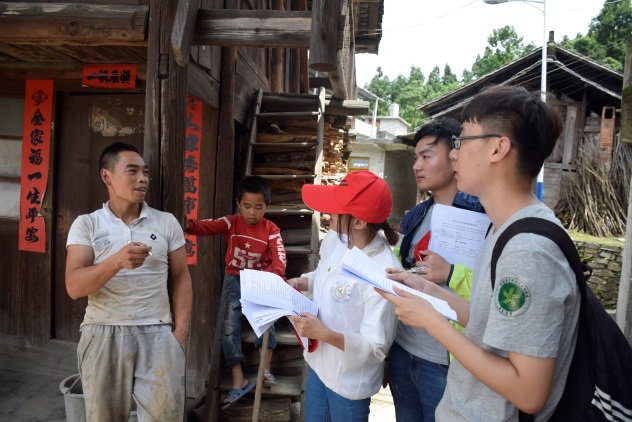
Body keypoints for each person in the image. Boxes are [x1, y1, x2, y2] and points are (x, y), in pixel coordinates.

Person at [379, 85, 580, 421]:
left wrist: (433, 323)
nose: (454, 155)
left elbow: (529, 393)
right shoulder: (504, 228)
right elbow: (491, 325)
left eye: (462, 140)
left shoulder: (529, 251)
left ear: (498, 148)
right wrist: (429, 293)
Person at [65, 142, 193, 421]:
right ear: (107, 176)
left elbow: (181, 277)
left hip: (158, 333)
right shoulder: (87, 224)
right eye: (132, 171)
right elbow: (74, 286)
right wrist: (116, 261)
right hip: (102, 331)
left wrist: (180, 334)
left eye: (145, 172)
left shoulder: (166, 222)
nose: (142, 179)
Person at [389, 118, 486, 422]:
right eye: (415, 157)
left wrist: (451, 272)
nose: (416, 166)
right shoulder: (416, 216)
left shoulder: (482, 216)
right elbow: (400, 265)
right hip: (403, 348)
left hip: (447, 359)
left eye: (426, 156)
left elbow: (490, 290)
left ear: (455, 156)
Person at [287, 170, 401, 422]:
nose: (329, 213)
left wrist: (324, 333)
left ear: (358, 222)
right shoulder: (337, 239)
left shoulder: (383, 272)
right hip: (318, 364)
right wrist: (301, 282)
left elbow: (375, 347)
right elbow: (324, 274)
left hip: (349, 382)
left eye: (336, 209)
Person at [184, 175, 287, 407]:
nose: (252, 212)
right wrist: (188, 225)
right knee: (228, 327)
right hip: (235, 279)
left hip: (261, 281)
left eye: (258, 207)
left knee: (266, 321)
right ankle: (238, 378)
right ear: (238, 203)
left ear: (267, 206)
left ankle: (265, 369)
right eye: (247, 206)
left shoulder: (271, 229)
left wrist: (274, 275)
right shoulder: (231, 223)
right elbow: (207, 226)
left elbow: (279, 256)